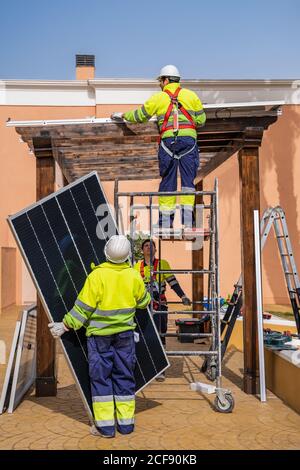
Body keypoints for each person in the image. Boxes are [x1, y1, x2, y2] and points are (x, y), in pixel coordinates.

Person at [48, 235, 150, 438]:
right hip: (125, 336)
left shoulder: (96, 276)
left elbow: (82, 309)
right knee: (125, 377)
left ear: (105, 253)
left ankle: (105, 428)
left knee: (101, 379)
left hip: (100, 338)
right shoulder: (133, 276)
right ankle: (126, 425)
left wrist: (66, 325)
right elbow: (144, 302)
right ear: (129, 255)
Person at [111, 65, 206, 229]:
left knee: (168, 182)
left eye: (160, 81)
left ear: (166, 80)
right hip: (189, 144)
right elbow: (201, 120)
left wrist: (123, 115)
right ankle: (188, 223)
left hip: (169, 144)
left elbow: (140, 116)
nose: (160, 85)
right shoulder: (191, 96)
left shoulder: (158, 98)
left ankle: (164, 223)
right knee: (188, 183)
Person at [134, 239, 191, 381]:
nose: (149, 248)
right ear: (142, 250)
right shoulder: (137, 266)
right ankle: (145, 368)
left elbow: (173, 282)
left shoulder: (162, 264)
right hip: (142, 307)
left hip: (160, 305)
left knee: (160, 335)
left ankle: (160, 369)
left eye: (151, 246)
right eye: (146, 246)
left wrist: (182, 296)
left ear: (156, 249)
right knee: (142, 336)